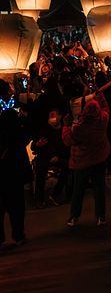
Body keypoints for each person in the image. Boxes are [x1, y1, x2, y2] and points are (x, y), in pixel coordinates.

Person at [62, 85, 111, 227]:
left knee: (78, 190)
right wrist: (100, 94)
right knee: (99, 188)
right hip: (99, 159)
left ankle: (74, 216)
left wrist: (65, 127)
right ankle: (100, 216)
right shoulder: (103, 119)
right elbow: (105, 107)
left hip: (82, 161)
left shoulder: (79, 127)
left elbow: (67, 140)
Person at [0, 80, 32, 245]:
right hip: (14, 168)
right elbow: (24, 136)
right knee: (16, 204)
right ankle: (18, 233)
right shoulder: (12, 116)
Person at [32, 108, 70, 207]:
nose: (51, 118)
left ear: (60, 116)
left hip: (60, 157)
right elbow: (35, 144)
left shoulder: (64, 130)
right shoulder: (44, 129)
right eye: (50, 116)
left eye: (53, 115)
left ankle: (56, 194)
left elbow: (67, 146)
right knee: (40, 168)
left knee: (68, 166)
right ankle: (39, 199)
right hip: (45, 157)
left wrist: (57, 156)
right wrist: (37, 145)